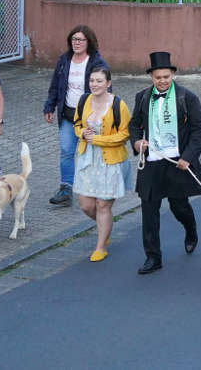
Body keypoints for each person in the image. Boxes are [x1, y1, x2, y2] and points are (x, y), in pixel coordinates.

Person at [129, 52, 201, 275]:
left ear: (173, 74)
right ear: (151, 77)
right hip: (152, 161)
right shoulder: (142, 97)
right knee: (149, 209)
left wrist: (188, 157)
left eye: (166, 76)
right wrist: (136, 142)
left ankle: (190, 228)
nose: (162, 81)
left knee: (178, 206)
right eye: (158, 77)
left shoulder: (187, 97)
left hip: (177, 162)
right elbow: (134, 125)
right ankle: (153, 257)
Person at [43, 25, 108, 206]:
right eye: (74, 39)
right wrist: (49, 107)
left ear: (89, 42)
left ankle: (97, 189)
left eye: (80, 40)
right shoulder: (64, 60)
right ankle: (66, 189)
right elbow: (55, 85)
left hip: (89, 118)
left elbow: (106, 88)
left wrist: (102, 113)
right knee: (66, 151)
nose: (76, 43)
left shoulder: (97, 63)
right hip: (68, 115)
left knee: (92, 153)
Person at [72, 65, 130, 263]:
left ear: (108, 83)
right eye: (92, 81)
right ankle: (105, 228)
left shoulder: (118, 105)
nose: (94, 84)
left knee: (103, 205)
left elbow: (124, 134)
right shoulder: (83, 100)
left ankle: (101, 246)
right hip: (87, 159)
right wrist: (82, 133)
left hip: (110, 161)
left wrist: (97, 140)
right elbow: (77, 124)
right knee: (86, 205)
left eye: (99, 81)